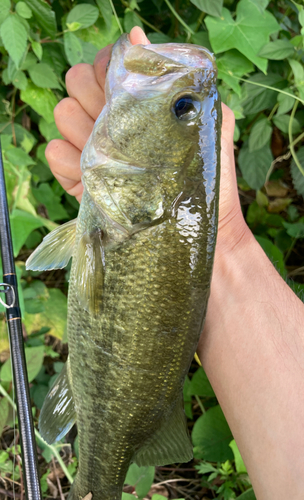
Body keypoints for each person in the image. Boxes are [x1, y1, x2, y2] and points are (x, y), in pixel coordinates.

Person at [44, 26, 304, 500]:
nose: (183, 104)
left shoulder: (129, 213)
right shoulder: (130, 212)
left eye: (182, 108)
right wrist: (225, 251)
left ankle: (95, 486)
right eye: (184, 107)